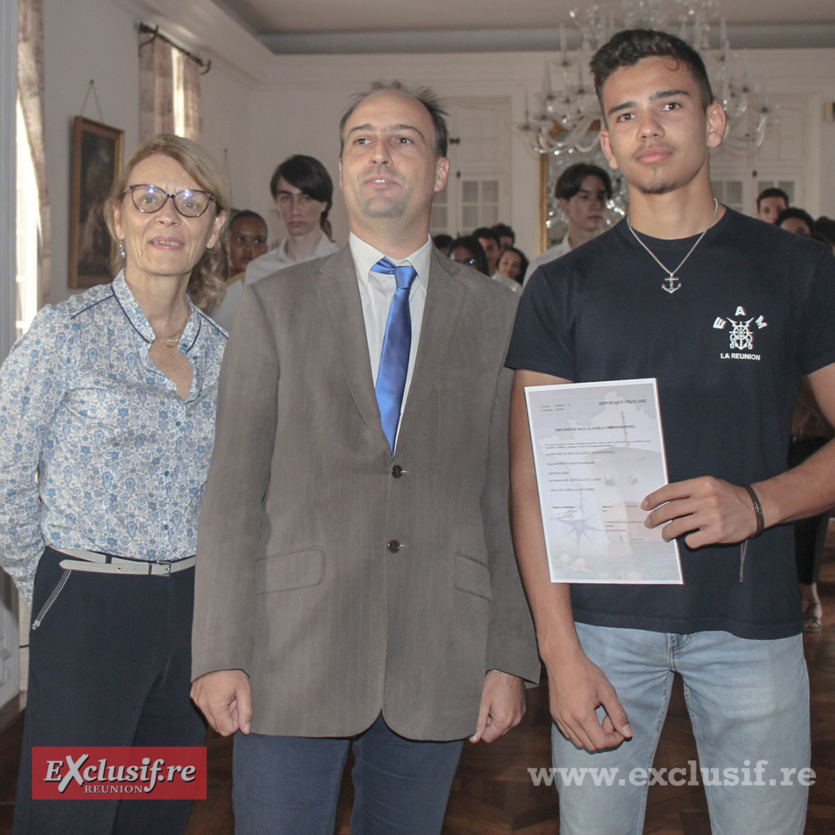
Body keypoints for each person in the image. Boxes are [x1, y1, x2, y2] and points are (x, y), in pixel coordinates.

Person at [506, 28, 835, 835]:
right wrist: (558, 650)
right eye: (624, 114)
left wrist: (756, 503)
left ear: (713, 122)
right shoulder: (561, 287)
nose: (646, 127)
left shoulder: (795, 269)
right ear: (607, 142)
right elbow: (532, 477)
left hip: (751, 622)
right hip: (601, 628)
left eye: (669, 105)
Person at [190, 80, 538, 835]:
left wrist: (510, 652)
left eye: (403, 139)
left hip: (440, 645)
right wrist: (217, 651)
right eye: (362, 140)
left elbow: (506, 495)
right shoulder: (274, 304)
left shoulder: (497, 314)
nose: (380, 153)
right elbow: (233, 492)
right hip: (290, 648)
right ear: (344, 167)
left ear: (438, 171)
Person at [0, 134, 229, 834]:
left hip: (190, 610)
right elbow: (5, 467)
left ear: (214, 228)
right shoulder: (64, 333)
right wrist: (50, 581)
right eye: (148, 197)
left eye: (190, 202)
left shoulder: (225, 353)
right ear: (116, 218)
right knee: (70, 813)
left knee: (158, 808)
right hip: (88, 601)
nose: (169, 216)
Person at [212, 154, 339, 329]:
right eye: (286, 198)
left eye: (305, 198)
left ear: (324, 204)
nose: (295, 209)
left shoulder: (343, 264)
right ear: (276, 204)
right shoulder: (259, 269)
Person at [523, 162, 612, 284]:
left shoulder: (621, 258)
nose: (596, 204)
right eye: (585, 197)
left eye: (601, 197)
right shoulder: (544, 266)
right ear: (564, 204)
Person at [227, 209, 268, 279]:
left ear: (265, 250)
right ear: (225, 245)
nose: (248, 249)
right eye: (240, 239)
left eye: (258, 241)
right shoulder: (211, 284)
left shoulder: (276, 284)